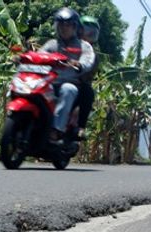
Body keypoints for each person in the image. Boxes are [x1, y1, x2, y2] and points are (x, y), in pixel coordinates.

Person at [39, 7, 95, 142]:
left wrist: (80, 64)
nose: (64, 28)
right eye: (61, 25)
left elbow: (88, 60)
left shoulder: (84, 46)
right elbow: (40, 55)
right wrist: (23, 57)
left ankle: (56, 130)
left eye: (68, 25)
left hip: (71, 85)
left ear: (75, 27)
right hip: (50, 83)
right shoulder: (52, 44)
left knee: (67, 89)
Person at [75, 15, 100, 140]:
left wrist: (79, 68)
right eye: (86, 30)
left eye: (92, 33)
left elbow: (90, 71)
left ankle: (81, 127)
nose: (88, 35)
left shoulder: (92, 54)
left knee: (88, 92)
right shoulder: (66, 42)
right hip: (57, 78)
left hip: (78, 83)